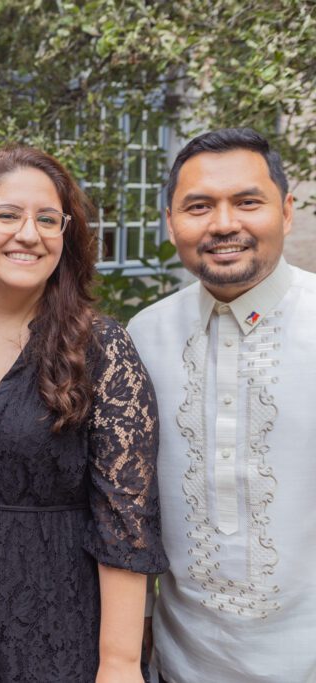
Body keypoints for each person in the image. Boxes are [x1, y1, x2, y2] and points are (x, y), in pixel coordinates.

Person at [0, 145, 168, 682]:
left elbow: (124, 521)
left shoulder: (101, 350)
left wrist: (118, 664)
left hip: (59, 623)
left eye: (48, 220)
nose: (29, 233)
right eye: (7, 215)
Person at [128, 128, 315, 682]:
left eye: (248, 202)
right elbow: (128, 508)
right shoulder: (144, 336)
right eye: (199, 206)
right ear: (170, 222)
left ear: (285, 211)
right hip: (180, 665)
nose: (224, 223)